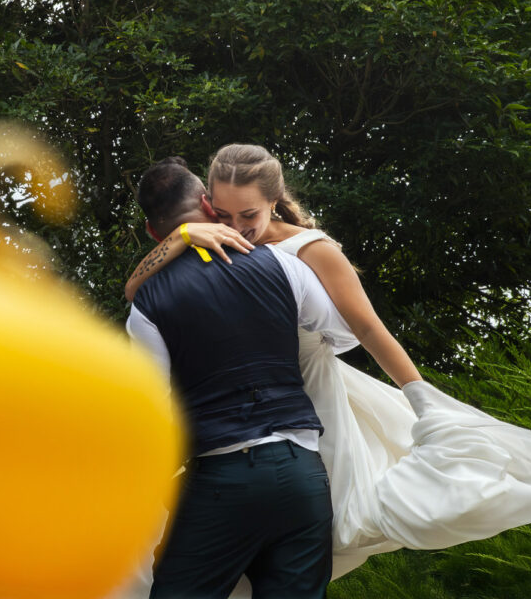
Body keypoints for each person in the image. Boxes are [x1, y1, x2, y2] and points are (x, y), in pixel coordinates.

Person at [126, 144, 531, 584]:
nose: (237, 224)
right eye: (224, 214)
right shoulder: (210, 244)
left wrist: (423, 400)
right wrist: (188, 235)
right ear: (208, 205)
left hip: (307, 400)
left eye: (248, 214)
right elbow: (135, 290)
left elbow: (367, 331)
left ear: (274, 201)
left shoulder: (308, 251)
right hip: (250, 419)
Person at [126, 156, 412, 598]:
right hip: (302, 476)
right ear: (208, 203)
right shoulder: (282, 264)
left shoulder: (147, 304)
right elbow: (336, 334)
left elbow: (150, 412)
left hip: (219, 480)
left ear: (152, 233)